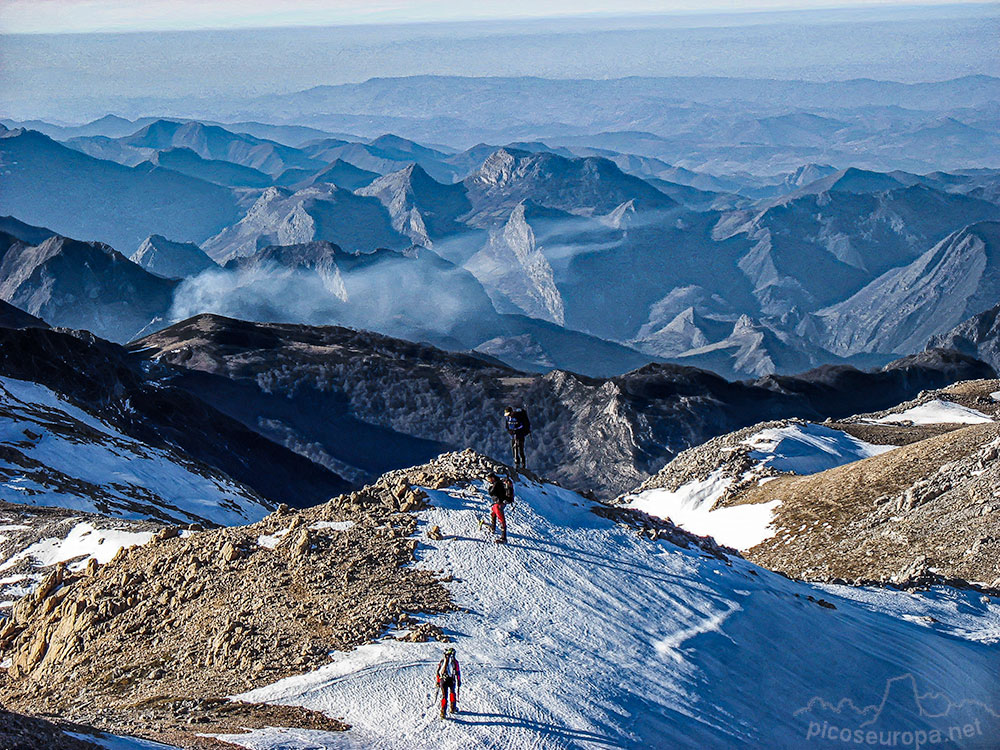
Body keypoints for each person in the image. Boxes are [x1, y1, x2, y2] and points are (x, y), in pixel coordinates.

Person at [485, 471, 514, 544]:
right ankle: (493, 527)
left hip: (499, 504)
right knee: (493, 513)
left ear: (492, 478)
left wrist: (493, 485)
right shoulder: (499, 482)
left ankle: (503, 538)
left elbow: (491, 492)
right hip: (499, 503)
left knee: (501, 519)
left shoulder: (497, 484)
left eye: (489, 479)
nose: (489, 481)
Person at [436, 647, 461, 718]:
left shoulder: (442, 661)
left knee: (444, 696)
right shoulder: (455, 662)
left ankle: (443, 712)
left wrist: (438, 682)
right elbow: (457, 672)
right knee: (452, 692)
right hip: (451, 680)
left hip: (442, 680)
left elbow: (438, 672)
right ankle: (452, 708)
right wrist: (459, 681)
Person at [504, 406, 531, 471]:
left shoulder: (518, 416)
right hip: (513, 436)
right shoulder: (508, 418)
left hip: (520, 435)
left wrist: (516, 430)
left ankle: (523, 465)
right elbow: (507, 426)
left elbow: (522, 425)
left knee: (520, 450)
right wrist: (510, 431)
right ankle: (517, 464)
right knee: (514, 449)